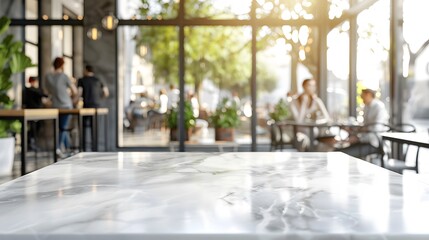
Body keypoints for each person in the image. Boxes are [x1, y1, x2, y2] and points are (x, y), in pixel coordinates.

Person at [338, 88, 390, 158]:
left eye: (362, 96)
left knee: (342, 154)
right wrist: (354, 131)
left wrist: (358, 137)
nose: (361, 98)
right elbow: (365, 126)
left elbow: (375, 129)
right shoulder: (366, 107)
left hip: (374, 143)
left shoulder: (379, 107)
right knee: (338, 150)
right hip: (364, 141)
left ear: (368, 95)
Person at [43, 57, 78, 157]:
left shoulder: (48, 77)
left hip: (55, 106)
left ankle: (69, 149)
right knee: (63, 128)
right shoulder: (64, 76)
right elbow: (74, 91)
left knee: (62, 128)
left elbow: (47, 92)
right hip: (66, 105)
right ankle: (58, 148)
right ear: (62, 65)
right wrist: (70, 95)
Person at [290, 79, 331, 151]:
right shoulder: (294, 101)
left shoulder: (316, 100)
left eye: (313, 86)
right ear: (303, 87)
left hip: (315, 131)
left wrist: (317, 122)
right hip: (300, 131)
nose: (312, 88)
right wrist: (304, 103)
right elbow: (299, 121)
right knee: (303, 140)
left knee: (328, 141)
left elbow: (327, 118)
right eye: (309, 85)